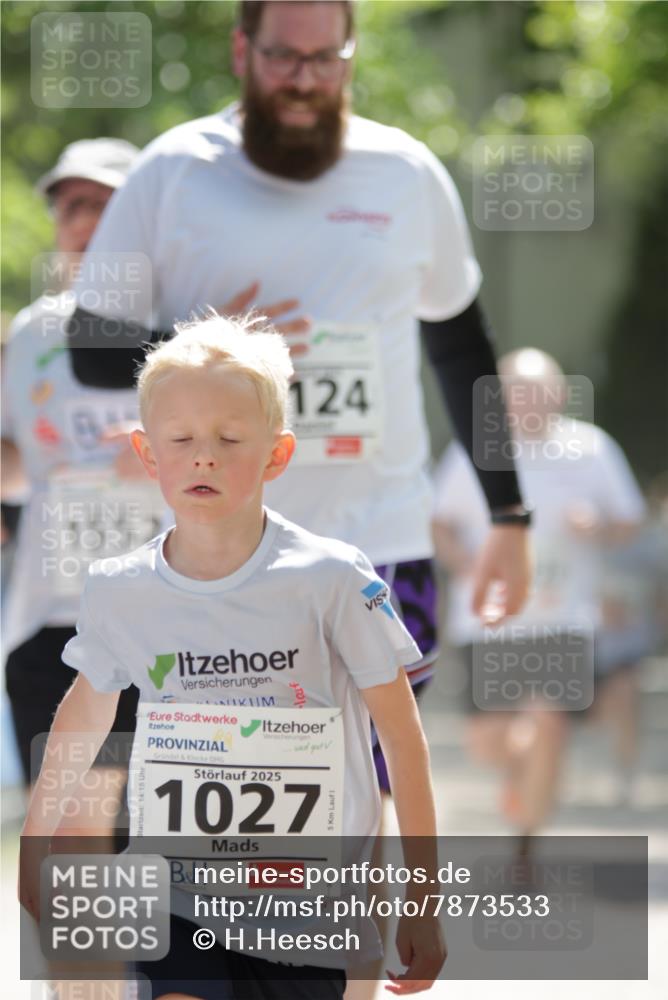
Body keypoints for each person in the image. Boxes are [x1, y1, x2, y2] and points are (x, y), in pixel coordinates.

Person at [64, 1, 533, 795]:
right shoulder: (173, 171)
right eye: (283, 57)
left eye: (324, 60)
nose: (303, 81)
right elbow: (90, 345)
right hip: (216, 556)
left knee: (368, 788)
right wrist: (213, 345)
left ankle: (375, 887)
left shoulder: (406, 172)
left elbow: (460, 348)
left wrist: (509, 514)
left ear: (350, 55)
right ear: (242, 50)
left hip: (381, 538)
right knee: (241, 799)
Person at [20, 313, 446, 999]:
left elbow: (400, 736)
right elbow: (85, 714)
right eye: (181, 439)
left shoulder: (333, 578)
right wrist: (35, 839)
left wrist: (422, 900)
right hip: (180, 895)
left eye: (229, 439)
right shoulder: (119, 588)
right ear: (148, 454)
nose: (204, 457)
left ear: (276, 455)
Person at [432, 348, 647, 852]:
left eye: (538, 392)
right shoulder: (472, 452)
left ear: (560, 394)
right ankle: (523, 780)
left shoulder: (591, 448)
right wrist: (469, 566)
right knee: (490, 742)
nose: (528, 402)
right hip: (491, 621)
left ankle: (528, 844)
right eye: (516, 393)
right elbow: (439, 525)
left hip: (563, 618)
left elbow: (629, 520)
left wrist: (599, 527)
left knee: (549, 723)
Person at [1, 138, 149, 831]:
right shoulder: (33, 332)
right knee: (73, 848)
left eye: (104, 205)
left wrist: (168, 451)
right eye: (70, 207)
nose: (85, 221)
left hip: (172, 623)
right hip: (55, 621)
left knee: (160, 854)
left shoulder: (191, 321)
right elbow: (17, 465)